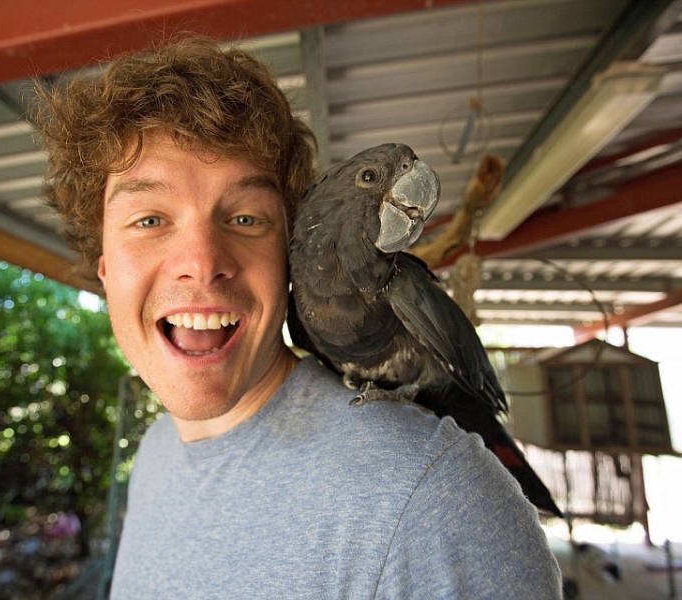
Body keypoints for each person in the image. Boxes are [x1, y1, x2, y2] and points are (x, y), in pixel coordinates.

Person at [35, 36, 563, 599]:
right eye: (148, 220)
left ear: (285, 254)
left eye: (245, 219)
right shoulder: (154, 456)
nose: (202, 264)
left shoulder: (438, 503)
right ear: (105, 268)